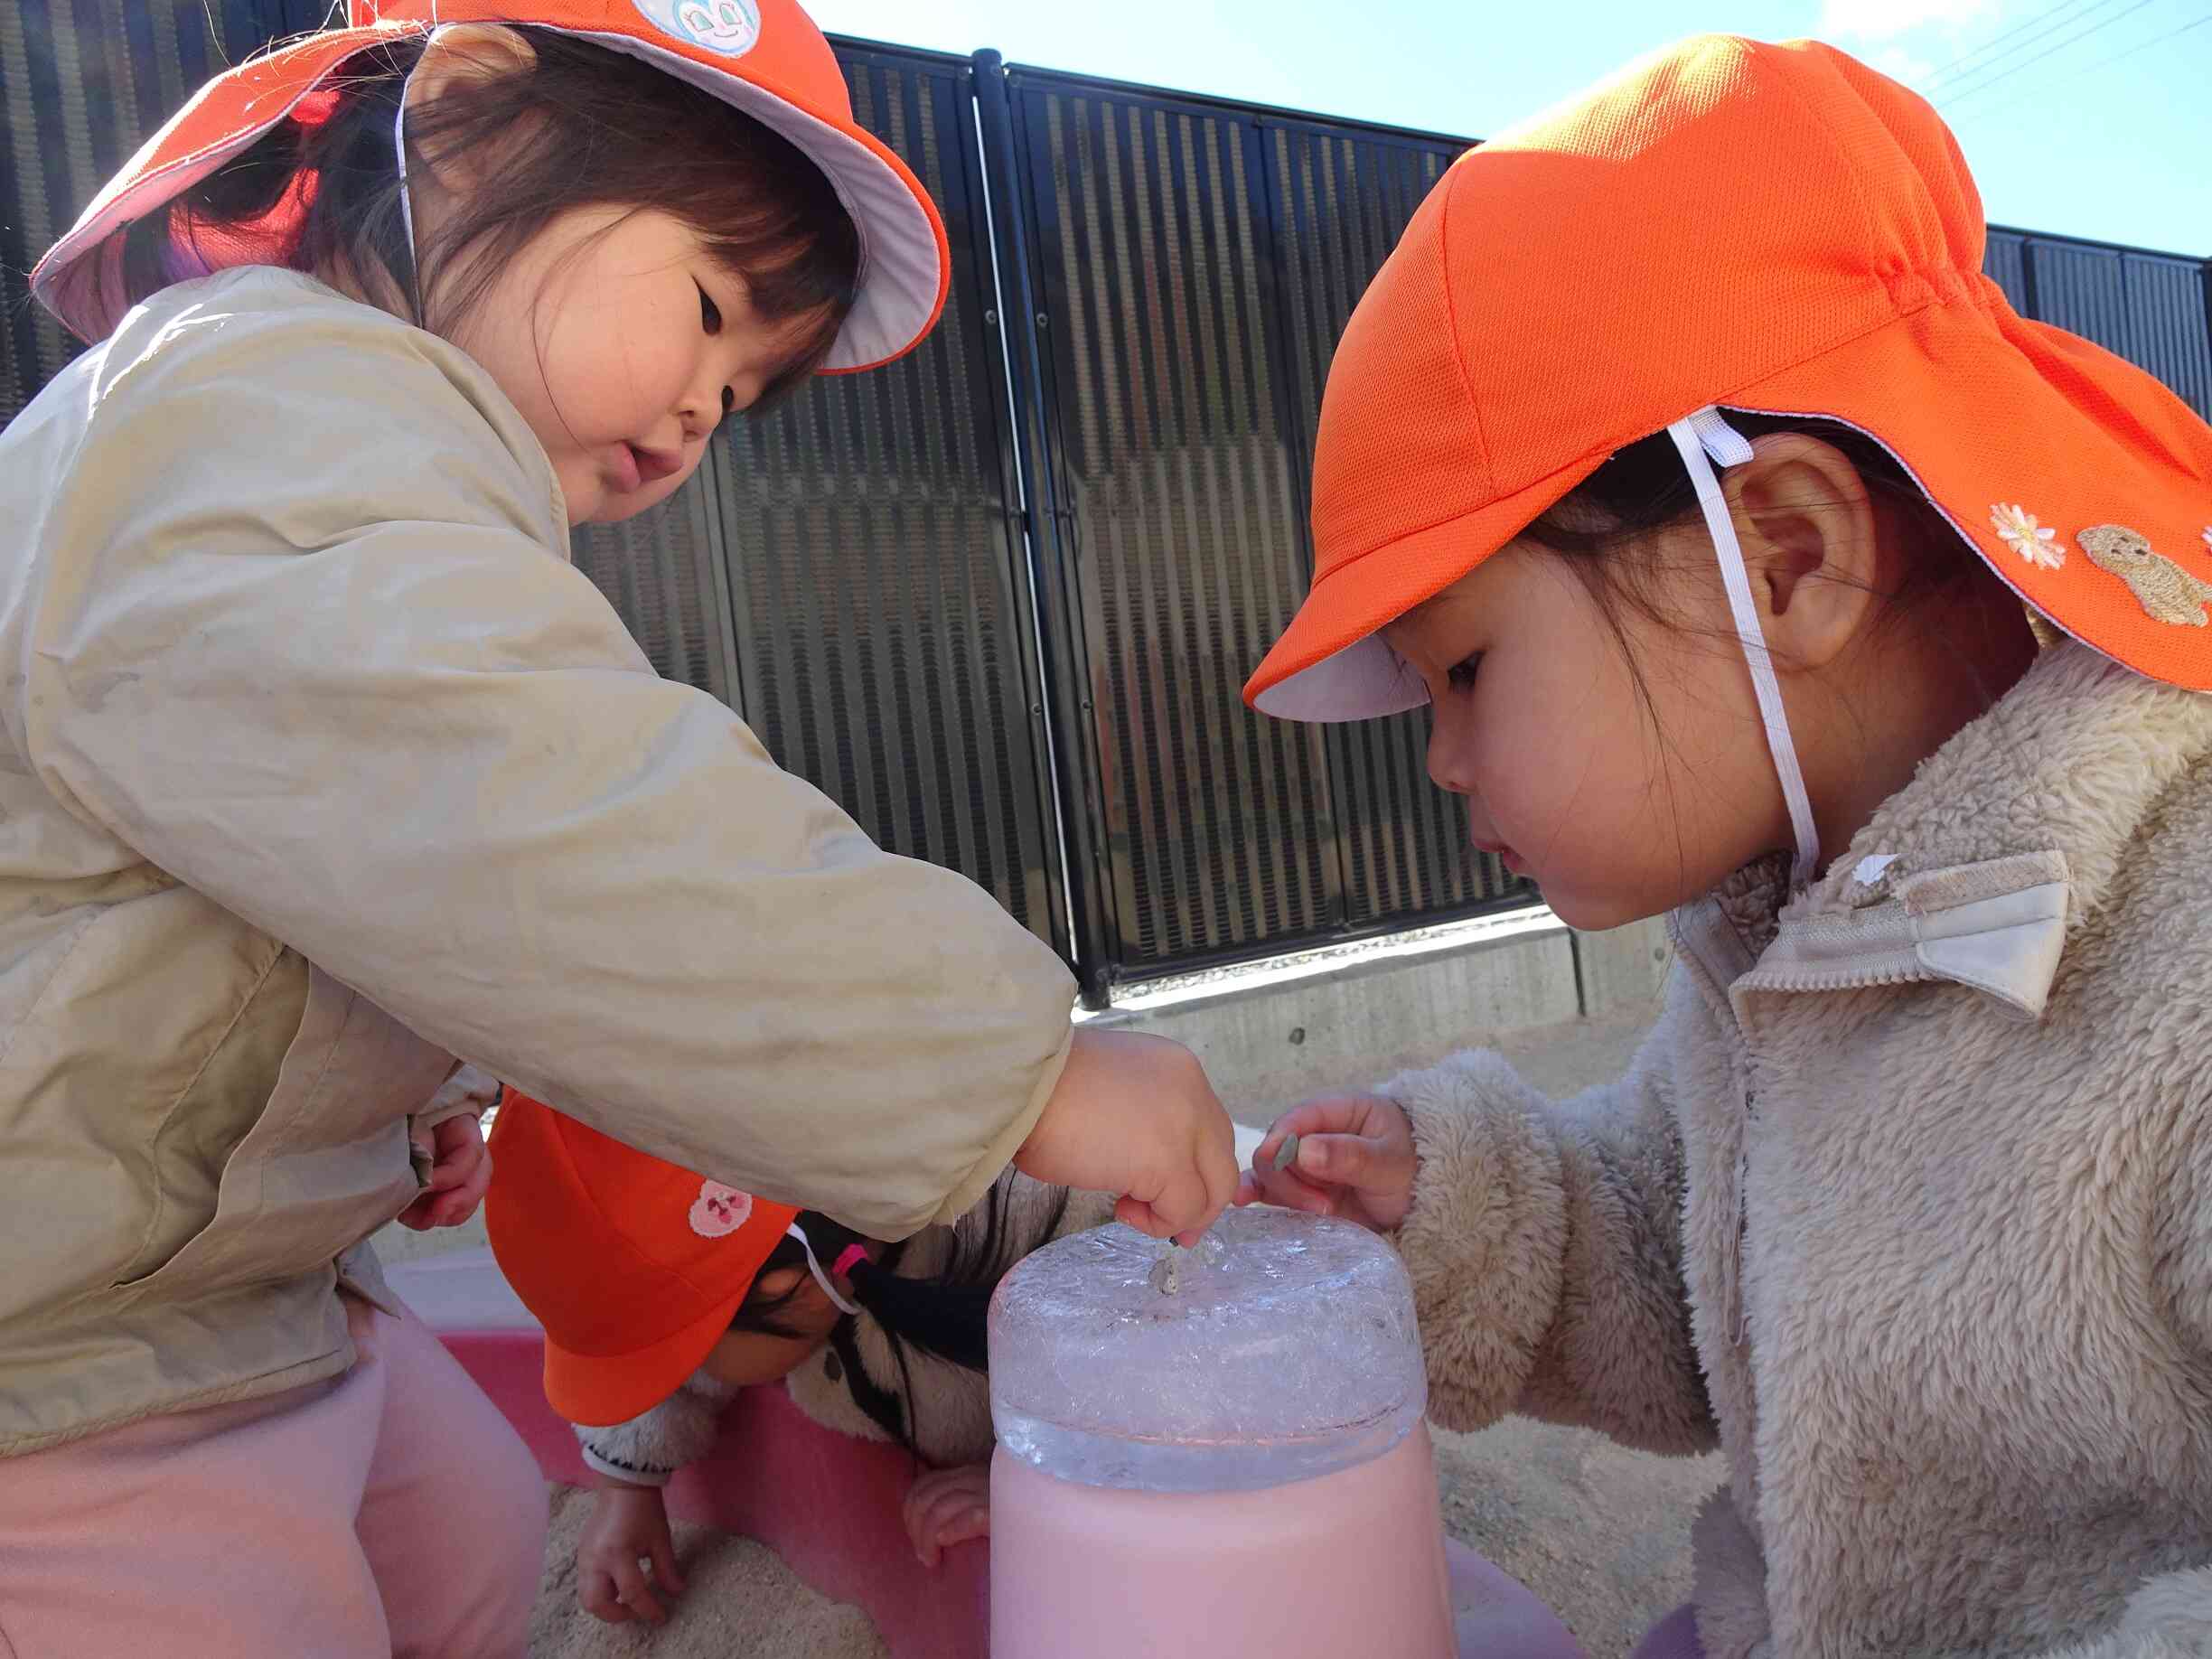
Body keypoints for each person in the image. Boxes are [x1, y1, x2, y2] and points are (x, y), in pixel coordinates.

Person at [0, 4, 1235, 1654]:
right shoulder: (256, 401)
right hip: (51, 1348)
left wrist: (403, 1093)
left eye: (741, 394)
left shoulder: (365, 464)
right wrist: (1013, 1066)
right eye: (709, 312)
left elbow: (334, 857)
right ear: (473, 124)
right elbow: (534, 812)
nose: (700, 416)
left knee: (472, 1532)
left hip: (229, 1294)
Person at [1238, 34, 2212, 1659]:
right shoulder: (1785, 937)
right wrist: (1465, 1207)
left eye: (1463, 669)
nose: (1442, 758)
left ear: (1783, 557)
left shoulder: (2177, 959)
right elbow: (1684, 1254)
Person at [485, 1089, 1114, 1627]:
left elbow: (1160, 1347)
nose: (669, 1374)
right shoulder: (776, 1273)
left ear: (786, 1287)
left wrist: (1047, 1482)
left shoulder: (1029, 1207)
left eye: (667, 1355)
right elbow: (681, 1380)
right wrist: (627, 1487)